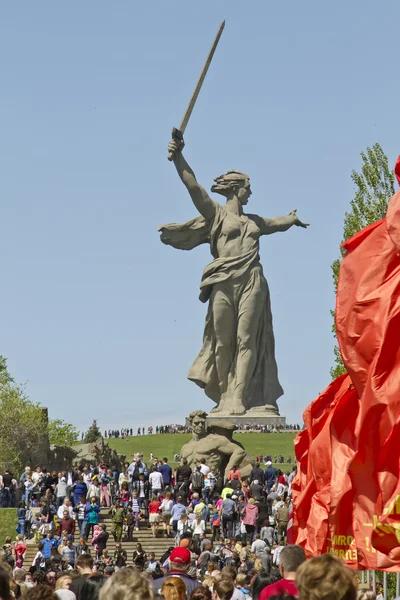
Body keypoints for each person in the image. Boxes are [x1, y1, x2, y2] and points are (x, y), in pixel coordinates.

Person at [163, 138, 308, 417]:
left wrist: (292, 219)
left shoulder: (254, 222)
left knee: (247, 339)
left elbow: (277, 223)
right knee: (222, 341)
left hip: (251, 280)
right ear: (235, 189)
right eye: (247, 188)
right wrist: (179, 158)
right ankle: (225, 395)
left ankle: (239, 397)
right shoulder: (216, 214)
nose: (250, 193)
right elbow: (193, 187)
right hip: (223, 281)